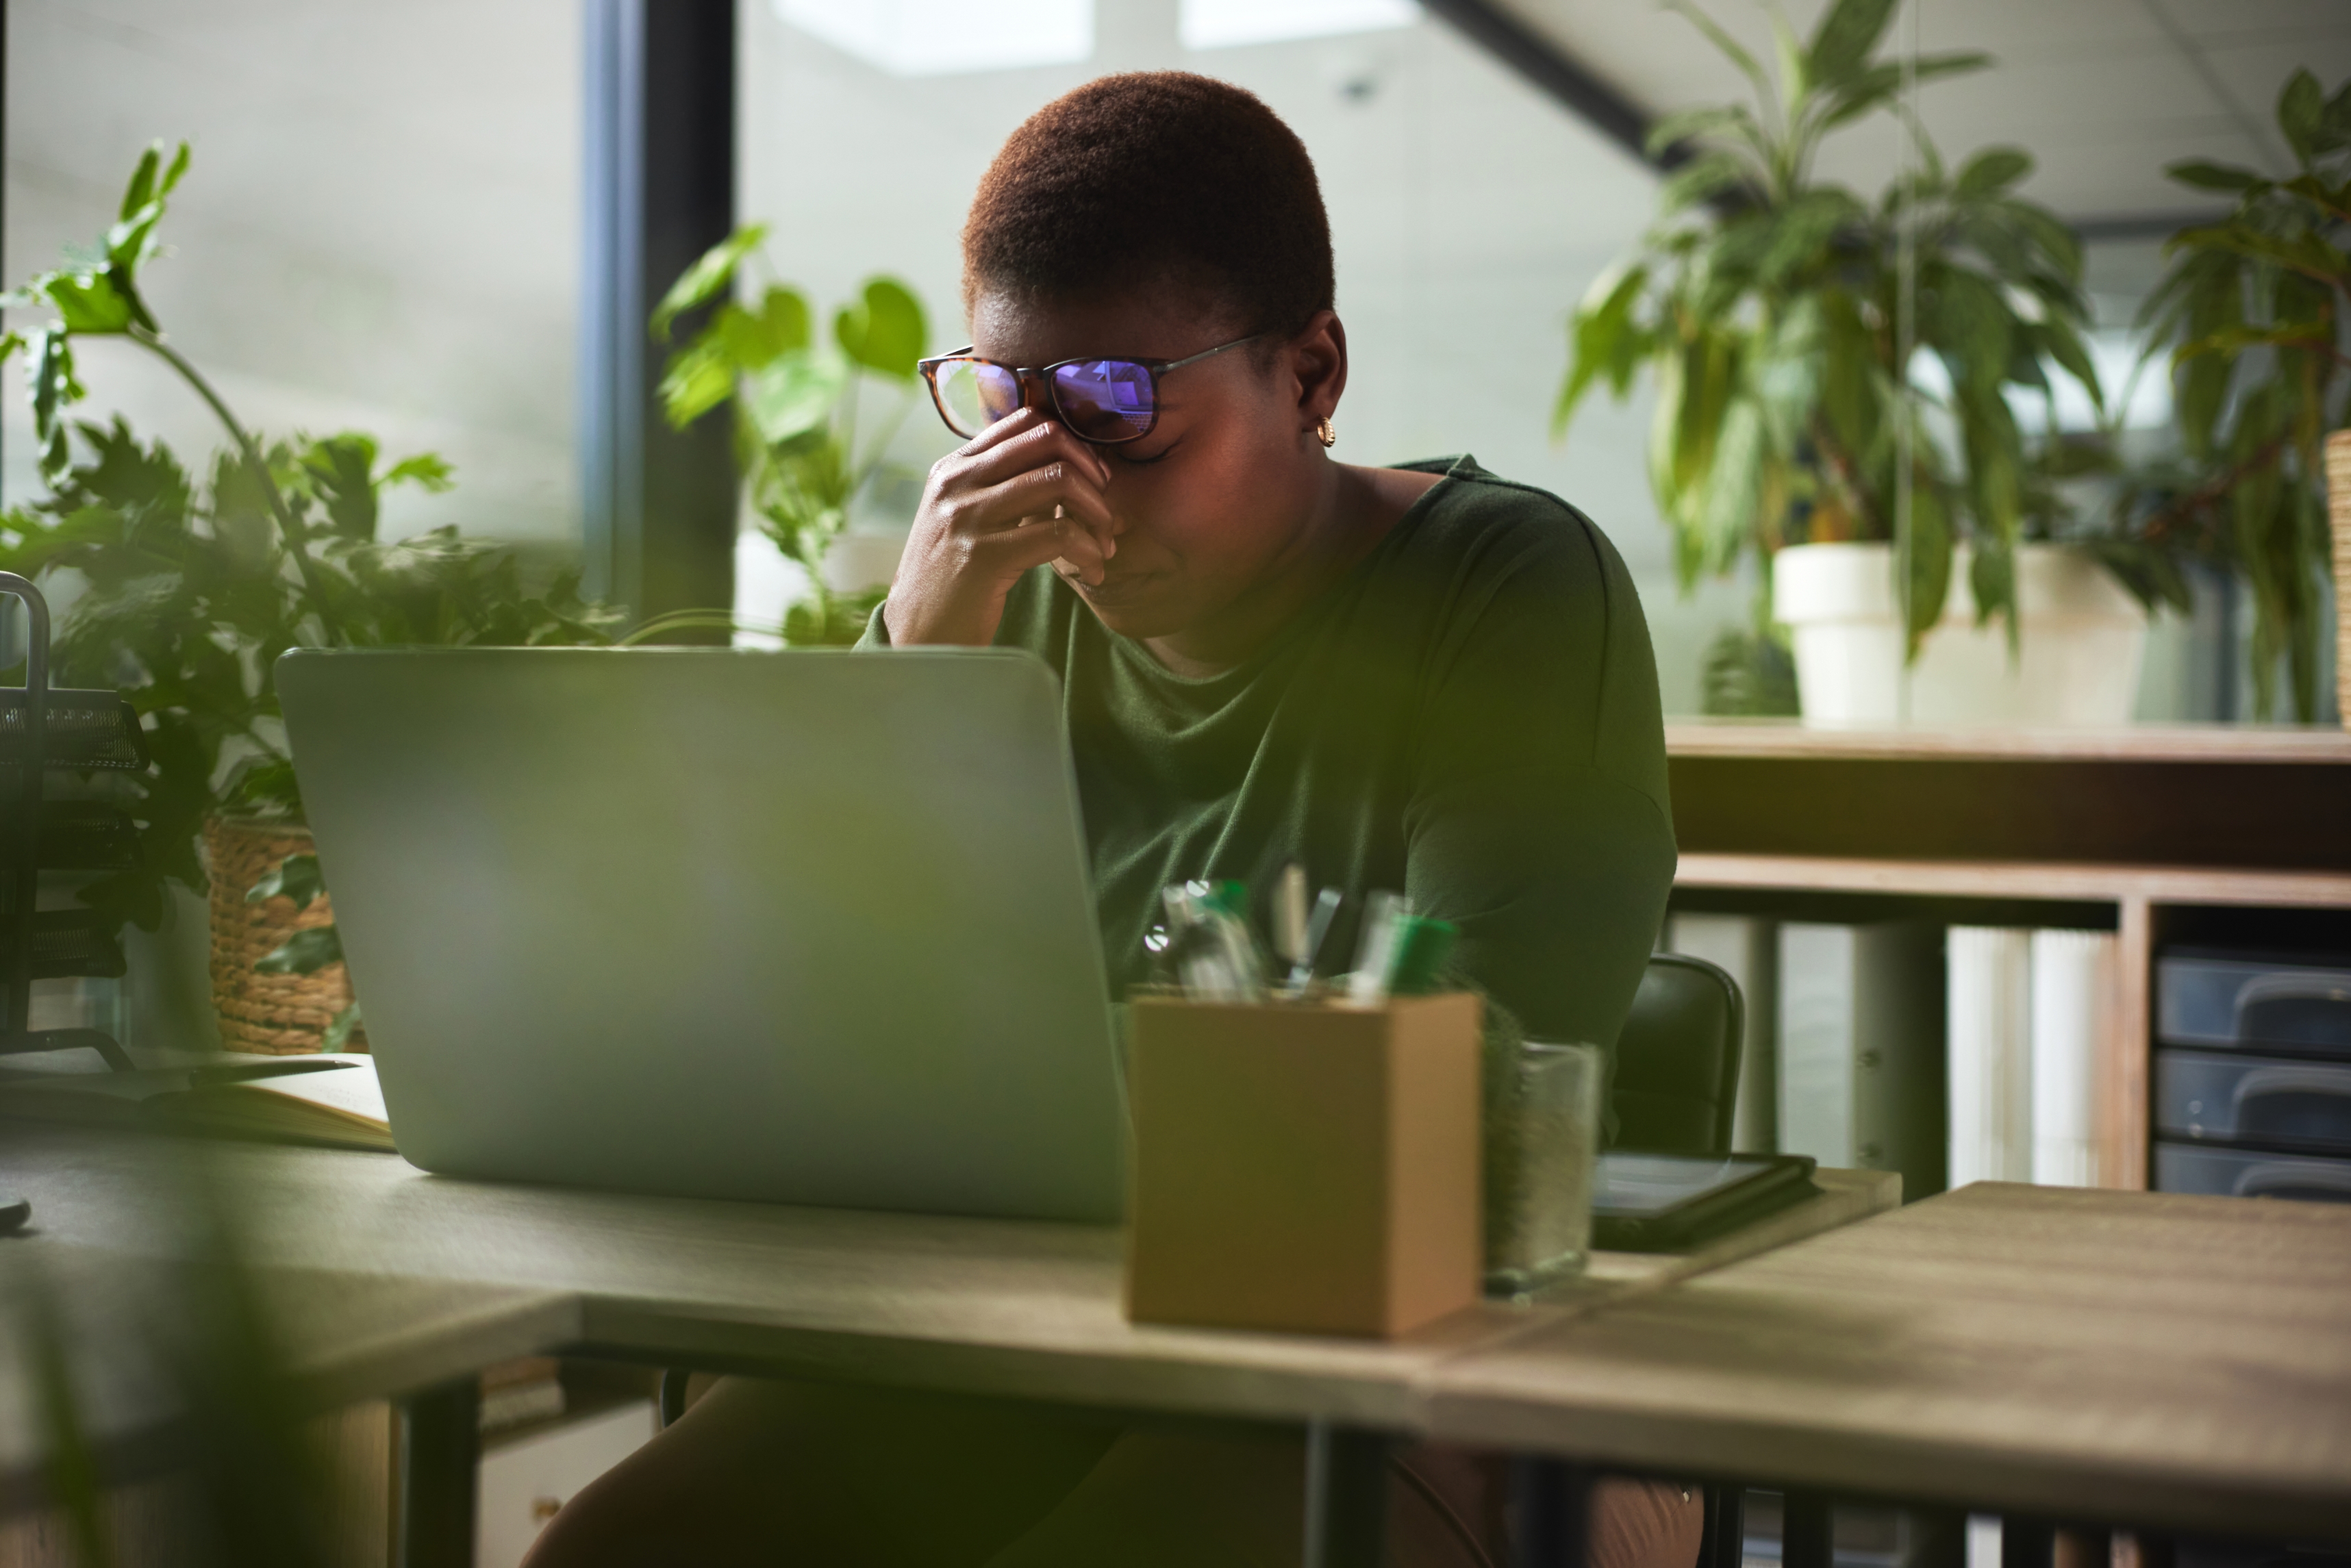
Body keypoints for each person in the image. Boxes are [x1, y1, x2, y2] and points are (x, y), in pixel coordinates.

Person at [527, 71, 1688, 1568]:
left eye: (1120, 409)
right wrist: (917, 655)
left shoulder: (1510, 589)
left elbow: (1475, 1062)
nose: (1054, 483)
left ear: (1310, 377)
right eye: (1007, 408)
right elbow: (815, 1026)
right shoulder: (994, 616)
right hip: (1042, 1325)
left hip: (1452, 1364)